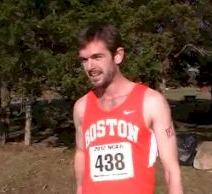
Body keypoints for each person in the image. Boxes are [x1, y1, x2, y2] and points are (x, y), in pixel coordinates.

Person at [73, 22, 183, 194]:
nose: (90, 67)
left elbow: (171, 169)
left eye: (97, 57)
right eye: (84, 60)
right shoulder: (81, 107)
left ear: (118, 55)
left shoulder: (151, 102)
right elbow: (81, 153)